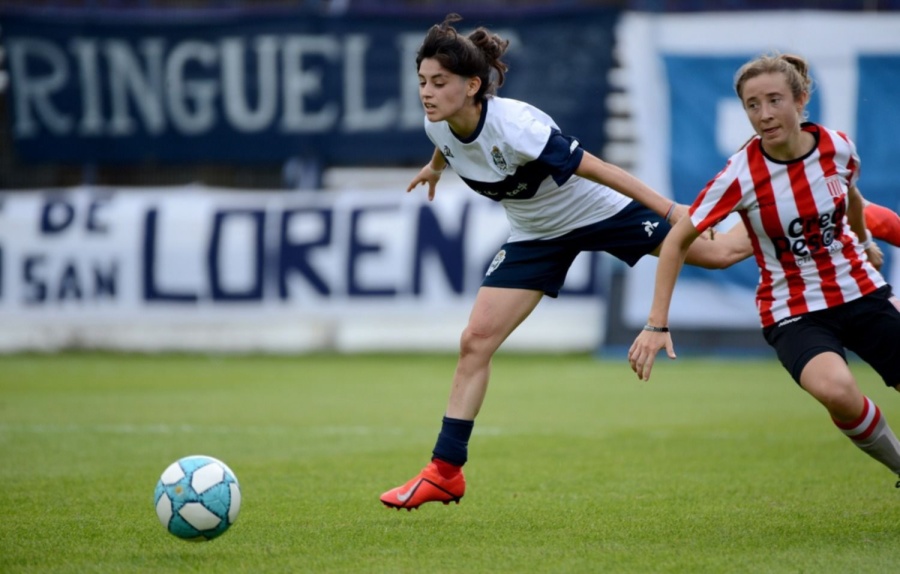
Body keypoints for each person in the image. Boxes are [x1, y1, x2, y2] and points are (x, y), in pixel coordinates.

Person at [378, 13, 755, 511]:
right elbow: (447, 144)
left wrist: (668, 210)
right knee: (475, 342)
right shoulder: (437, 124)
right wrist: (434, 169)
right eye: (423, 81)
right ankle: (445, 472)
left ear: (472, 86)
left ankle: (783, 208)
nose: (427, 92)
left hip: (599, 210)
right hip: (536, 234)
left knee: (719, 254)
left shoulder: (517, 128)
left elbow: (601, 169)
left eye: (439, 82)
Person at [628, 53, 900, 488]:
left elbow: (851, 195)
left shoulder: (837, 146)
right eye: (752, 105)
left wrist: (865, 241)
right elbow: (678, 239)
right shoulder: (740, 174)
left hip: (860, 289)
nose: (764, 114)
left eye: (775, 100)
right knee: (837, 391)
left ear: (801, 99)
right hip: (793, 310)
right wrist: (656, 324)